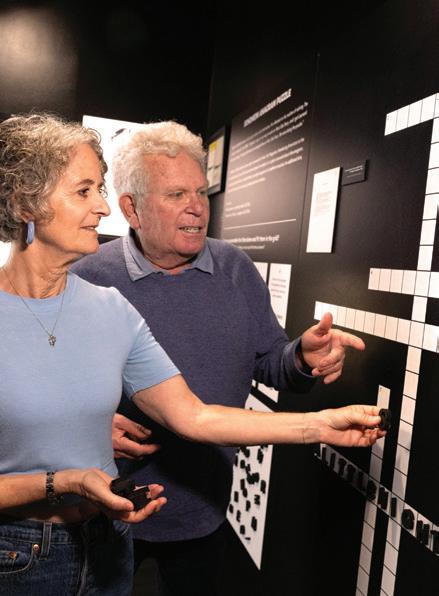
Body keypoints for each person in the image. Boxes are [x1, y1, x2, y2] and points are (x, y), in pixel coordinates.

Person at [72, 121, 371, 596]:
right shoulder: (87, 278)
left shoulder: (235, 268)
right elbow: (47, 386)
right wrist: (86, 425)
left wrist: (301, 357)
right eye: (176, 194)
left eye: (200, 192)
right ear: (131, 209)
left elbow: (269, 361)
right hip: (106, 510)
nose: (196, 207)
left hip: (204, 507)